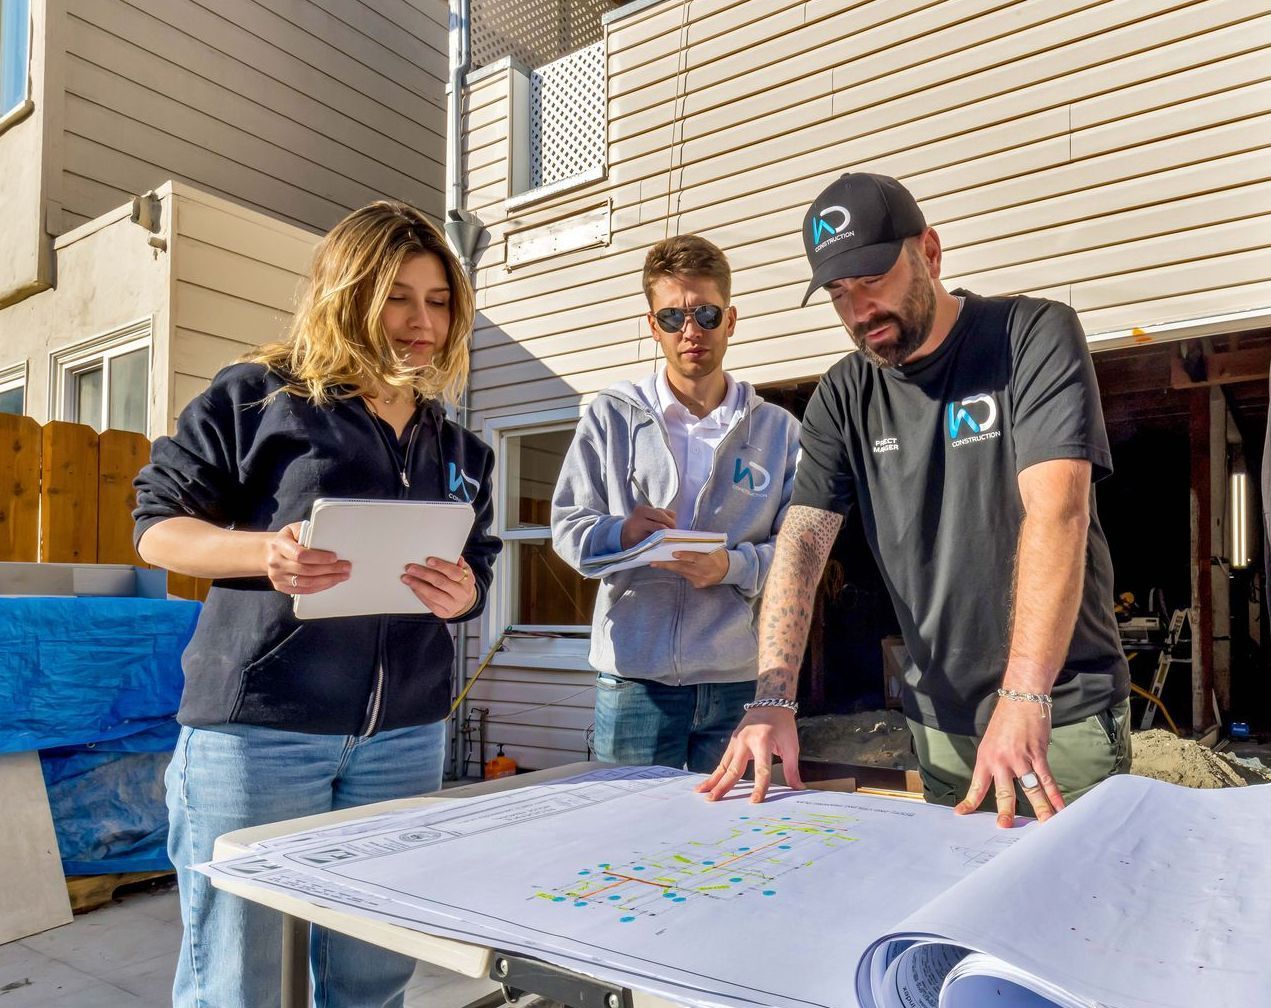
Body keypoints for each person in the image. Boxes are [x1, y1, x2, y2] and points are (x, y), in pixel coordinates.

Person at [133, 201, 501, 1008]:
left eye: (438, 301)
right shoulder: (257, 399)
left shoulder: (462, 448)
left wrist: (466, 589)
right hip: (256, 737)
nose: (421, 320)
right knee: (238, 979)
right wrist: (264, 552)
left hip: (403, 737)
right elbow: (157, 530)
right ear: (349, 293)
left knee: (372, 976)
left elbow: (478, 560)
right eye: (398, 296)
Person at [699, 173, 1131, 827]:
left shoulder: (1028, 336)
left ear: (928, 253)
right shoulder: (842, 396)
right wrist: (773, 697)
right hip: (939, 725)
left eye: (871, 280)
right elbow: (803, 542)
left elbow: (1057, 512)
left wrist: (1023, 693)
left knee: (1074, 914)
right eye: (838, 293)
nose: (858, 311)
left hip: (1056, 710)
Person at [551, 235, 800, 773]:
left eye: (707, 313)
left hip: (736, 681)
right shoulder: (611, 417)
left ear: (731, 320)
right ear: (653, 325)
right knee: (627, 841)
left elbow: (796, 549)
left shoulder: (779, 431)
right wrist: (622, 533)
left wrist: (730, 566)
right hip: (633, 681)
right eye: (673, 317)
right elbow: (568, 528)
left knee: (729, 842)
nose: (691, 331)